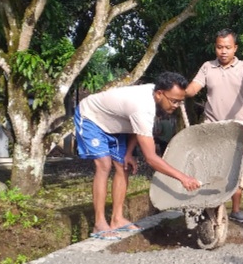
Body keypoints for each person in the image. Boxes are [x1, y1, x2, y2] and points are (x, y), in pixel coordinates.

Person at [74, 72, 201, 240]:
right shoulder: (142, 106)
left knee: (123, 166)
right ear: (159, 94)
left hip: (116, 125)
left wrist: (128, 153)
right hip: (91, 117)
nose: (177, 105)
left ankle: (117, 219)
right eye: (174, 101)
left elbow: (139, 128)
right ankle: (99, 224)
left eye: (180, 101)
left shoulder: (155, 98)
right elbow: (151, 158)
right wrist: (183, 178)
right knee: (104, 165)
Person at [185, 28, 243, 224]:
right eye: (220, 47)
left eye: (228, 48)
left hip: (236, 129)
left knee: (236, 169)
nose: (223, 51)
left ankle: (236, 210)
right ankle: (210, 208)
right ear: (215, 48)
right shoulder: (207, 67)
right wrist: (183, 92)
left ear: (235, 48)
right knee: (210, 167)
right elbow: (194, 87)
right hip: (211, 127)